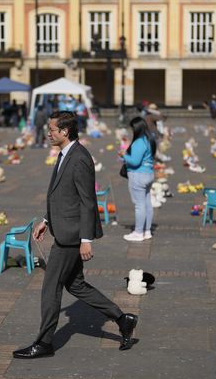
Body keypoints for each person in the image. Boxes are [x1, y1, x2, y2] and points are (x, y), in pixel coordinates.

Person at [13, 111, 138, 359]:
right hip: (64, 228)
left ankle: (44, 343)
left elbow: (87, 201)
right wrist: (46, 221)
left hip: (71, 237)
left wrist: (85, 240)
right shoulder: (65, 154)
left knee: (51, 287)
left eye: (51, 129)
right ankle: (123, 319)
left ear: (65, 132)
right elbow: (63, 196)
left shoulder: (79, 158)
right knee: (76, 285)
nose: (48, 133)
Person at [121, 117, 157, 242]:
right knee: (147, 204)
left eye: (132, 128)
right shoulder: (149, 139)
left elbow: (135, 162)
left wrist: (124, 155)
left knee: (139, 205)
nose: (132, 131)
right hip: (149, 174)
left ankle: (138, 232)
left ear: (136, 128)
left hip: (138, 175)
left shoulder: (139, 142)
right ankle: (147, 231)